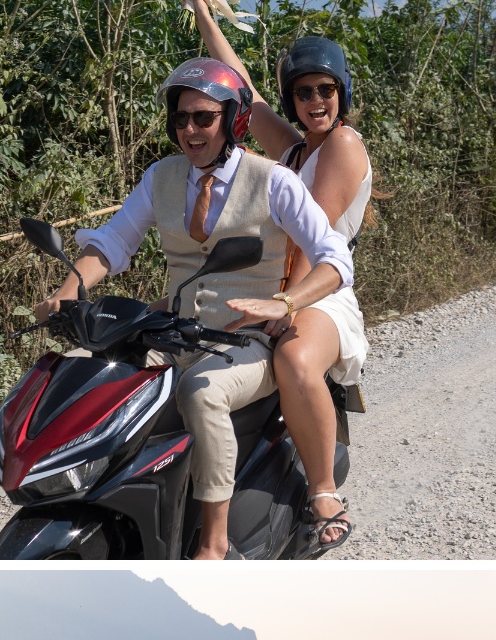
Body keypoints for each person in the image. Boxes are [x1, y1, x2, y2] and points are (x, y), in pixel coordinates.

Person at [35, 58, 353, 560]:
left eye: (203, 118)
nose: (190, 129)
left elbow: (334, 259)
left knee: (200, 393)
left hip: (244, 340)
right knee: (89, 377)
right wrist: (70, 286)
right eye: (181, 118)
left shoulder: (272, 181)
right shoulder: (162, 177)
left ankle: (214, 542)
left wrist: (285, 300)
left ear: (233, 120)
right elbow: (116, 240)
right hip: (175, 331)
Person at [187, 0, 372, 549]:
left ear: (341, 93)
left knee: (291, 356)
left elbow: (305, 238)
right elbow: (243, 85)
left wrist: (282, 305)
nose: (315, 100)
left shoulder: (340, 145)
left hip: (320, 290)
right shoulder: (293, 151)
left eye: (326, 89)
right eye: (304, 91)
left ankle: (322, 492)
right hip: (271, 283)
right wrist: (205, 19)